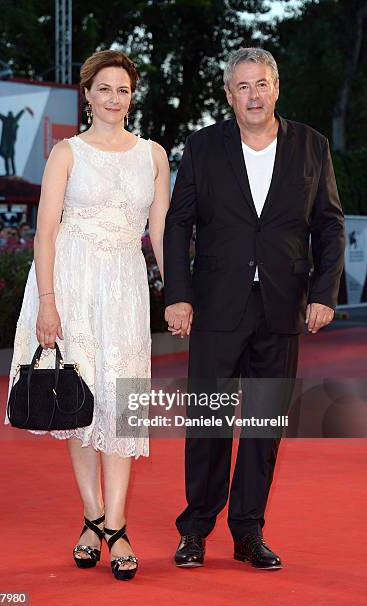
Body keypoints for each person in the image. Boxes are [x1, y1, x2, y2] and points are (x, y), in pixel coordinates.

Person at [163, 47, 345, 570]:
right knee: (209, 424)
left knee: (265, 428)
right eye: (242, 87)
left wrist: (323, 294)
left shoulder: (312, 145)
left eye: (261, 84)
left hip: (283, 308)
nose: (253, 95)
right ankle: (195, 530)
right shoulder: (202, 147)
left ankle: (248, 532)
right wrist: (178, 294)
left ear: (276, 88)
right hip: (218, 307)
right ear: (228, 95)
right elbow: (179, 224)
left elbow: (328, 225)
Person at [4, 49, 170, 580]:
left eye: (122, 89)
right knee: (78, 399)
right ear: (88, 94)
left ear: (131, 95)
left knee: (121, 406)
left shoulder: (155, 155)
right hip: (70, 284)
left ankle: (117, 527)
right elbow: (45, 232)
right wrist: (48, 303)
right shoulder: (66, 153)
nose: (113, 98)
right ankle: (93, 517)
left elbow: (160, 233)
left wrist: (179, 292)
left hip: (124, 286)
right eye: (104, 88)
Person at [0, 103, 32, 176]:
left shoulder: (5, 119)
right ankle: (13, 172)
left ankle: (8, 172)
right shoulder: (14, 120)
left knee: (7, 158)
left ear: (8, 115)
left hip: (6, 143)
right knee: (11, 157)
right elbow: (19, 115)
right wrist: (24, 109)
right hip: (11, 142)